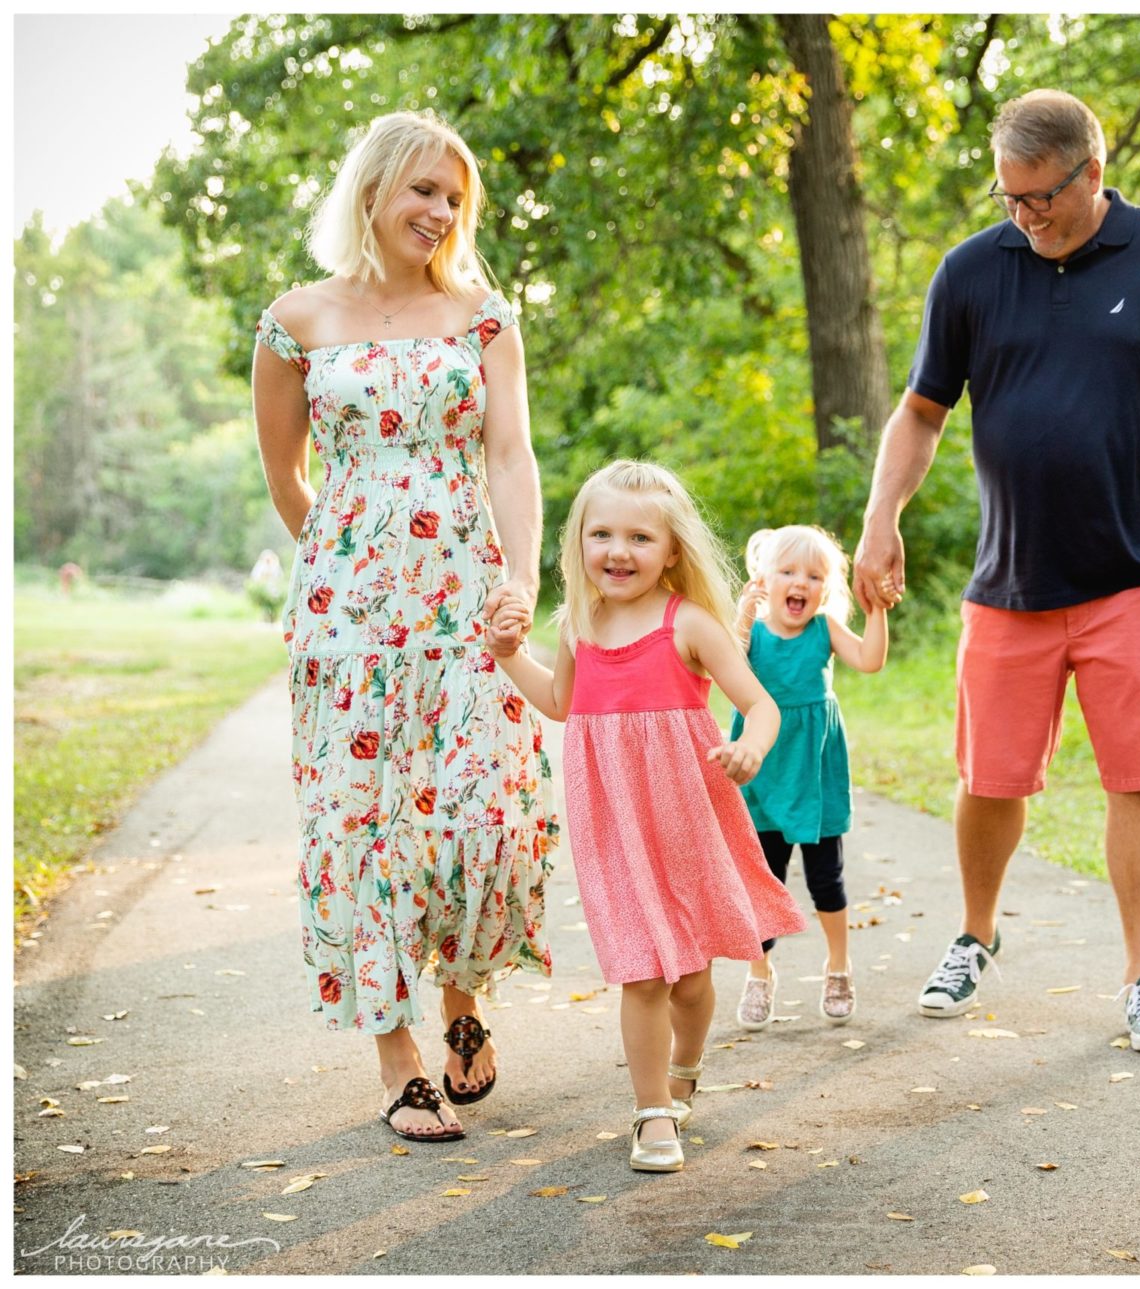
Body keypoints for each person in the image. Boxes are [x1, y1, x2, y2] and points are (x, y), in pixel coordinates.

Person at [852, 89, 1140, 1054]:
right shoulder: (971, 271)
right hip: (1013, 582)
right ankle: (975, 932)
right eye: (1009, 199)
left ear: (1093, 171)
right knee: (989, 778)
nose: (1025, 216)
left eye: (1040, 197)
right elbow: (921, 412)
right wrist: (881, 521)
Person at [252, 110, 554, 1144]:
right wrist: (345, 561)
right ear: (373, 188)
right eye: (424, 190)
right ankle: (398, 1054)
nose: (440, 212)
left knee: (477, 804)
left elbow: (511, 458)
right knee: (360, 819)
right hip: (346, 621)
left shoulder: (482, 317)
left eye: (454, 198)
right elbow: (288, 478)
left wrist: (518, 575)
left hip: (466, 601)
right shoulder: (295, 321)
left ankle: (465, 993)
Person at [484, 460, 806, 1172]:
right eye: (602, 533)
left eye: (638, 536)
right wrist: (510, 655)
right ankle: (652, 1110)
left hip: (687, 819)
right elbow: (562, 703)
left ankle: (686, 1063)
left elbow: (761, 703)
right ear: (580, 542)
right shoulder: (577, 623)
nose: (618, 550)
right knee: (643, 971)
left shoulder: (686, 622)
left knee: (690, 978)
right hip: (613, 826)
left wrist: (750, 745)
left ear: (671, 550)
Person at [728, 525, 890, 1031]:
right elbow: (726, 667)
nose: (801, 582)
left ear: (826, 588)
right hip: (765, 772)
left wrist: (878, 610)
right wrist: (741, 613)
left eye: (815, 576)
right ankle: (760, 974)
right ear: (764, 579)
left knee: (827, 880)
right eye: (788, 572)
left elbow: (869, 660)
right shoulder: (751, 633)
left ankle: (838, 967)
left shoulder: (823, 629)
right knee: (765, 881)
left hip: (814, 775)